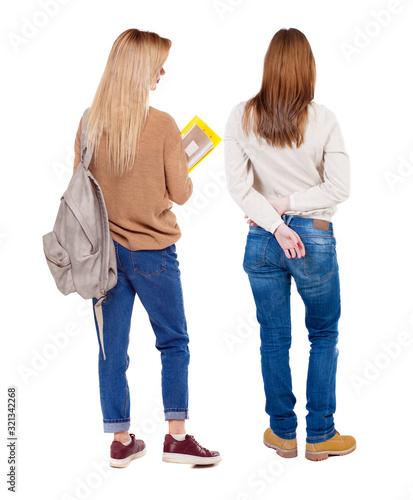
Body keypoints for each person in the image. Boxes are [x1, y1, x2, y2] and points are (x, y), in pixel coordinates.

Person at [73, 28, 221, 468]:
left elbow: (85, 193)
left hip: (103, 258)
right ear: (140, 70)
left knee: (111, 351)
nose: (162, 71)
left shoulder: (88, 122)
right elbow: (181, 192)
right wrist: (183, 166)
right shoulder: (163, 125)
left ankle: (121, 441)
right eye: (158, 64)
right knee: (173, 342)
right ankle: (176, 439)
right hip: (154, 253)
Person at [224, 28, 355, 461]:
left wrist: (276, 218)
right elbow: (339, 188)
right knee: (323, 334)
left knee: (273, 338)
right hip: (314, 238)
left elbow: (240, 190)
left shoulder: (241, 116)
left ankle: (282, 433)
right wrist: (292, 210)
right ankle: (320, 435)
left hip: (262, 241)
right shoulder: (324, 119)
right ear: (308, 69)